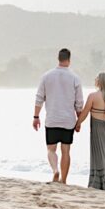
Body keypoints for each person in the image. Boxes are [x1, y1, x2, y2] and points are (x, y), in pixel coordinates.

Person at [33, 48, 83, 183]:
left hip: (52, 119)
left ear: (58, 59)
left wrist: (36, 117)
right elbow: (79, 103)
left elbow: (39, 98)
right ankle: (63, 180)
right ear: (69, 60)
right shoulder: (75, 78)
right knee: (66, 151)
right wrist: (79, 121)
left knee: (51, 149)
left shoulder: (46, 76)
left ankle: (55, 170)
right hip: (68, 121)